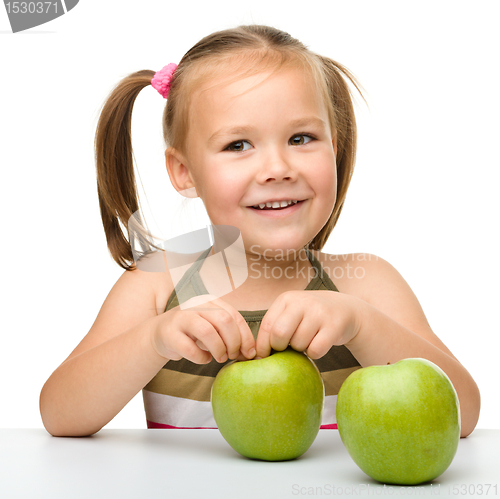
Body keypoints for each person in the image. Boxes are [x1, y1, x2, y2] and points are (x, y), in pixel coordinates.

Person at [39, 24, 480, 438]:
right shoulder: (158, 284)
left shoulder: (366, 285)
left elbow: (463, 415)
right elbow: (60, 415)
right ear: (184, 171)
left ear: (336, 146)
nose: (277, 169)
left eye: (302, 138)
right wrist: (153, 340)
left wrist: (363, 325)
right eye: (238, 145)